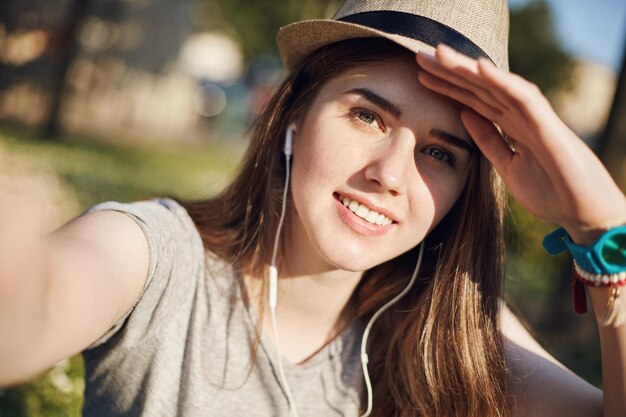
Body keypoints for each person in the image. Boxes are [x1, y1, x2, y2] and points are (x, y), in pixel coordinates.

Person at [1, 0, 625, 416]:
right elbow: (36, 305)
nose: (388, 175)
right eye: (367, 116)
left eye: (440, 154)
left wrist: (603, 229)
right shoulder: (157, 258)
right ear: (293, 114)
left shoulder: (451, 328)